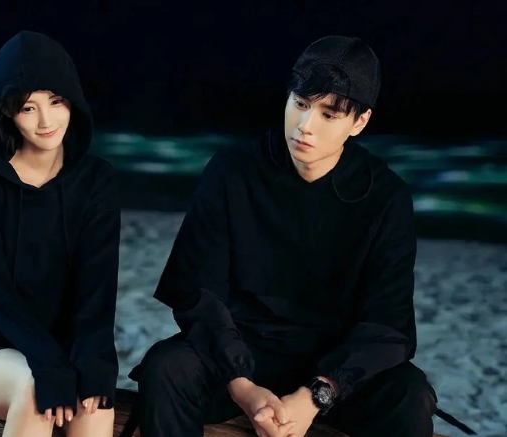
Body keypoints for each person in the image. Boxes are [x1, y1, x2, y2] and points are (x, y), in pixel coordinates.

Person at [127, 36, 475, 437]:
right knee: (167, 367)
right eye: (301, 104)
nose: (305, 126)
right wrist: (242, 385)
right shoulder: (233, 171)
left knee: (409, 394)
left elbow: (388, 323)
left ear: (359, 122)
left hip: (333, 366)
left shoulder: (384, 196)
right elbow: (197, 289)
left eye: (329, 114)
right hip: (239, 352)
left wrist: (318, 393)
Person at [0, 30, 120, 437]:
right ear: (7, 111)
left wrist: (93, 364)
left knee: (95, 405)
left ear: (72, 100)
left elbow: (97, 289)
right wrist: (47, 363)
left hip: (66, 344)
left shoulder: (97, 180)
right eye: (28, 107)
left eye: (55, 101)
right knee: (36, 389)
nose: (46, 121)